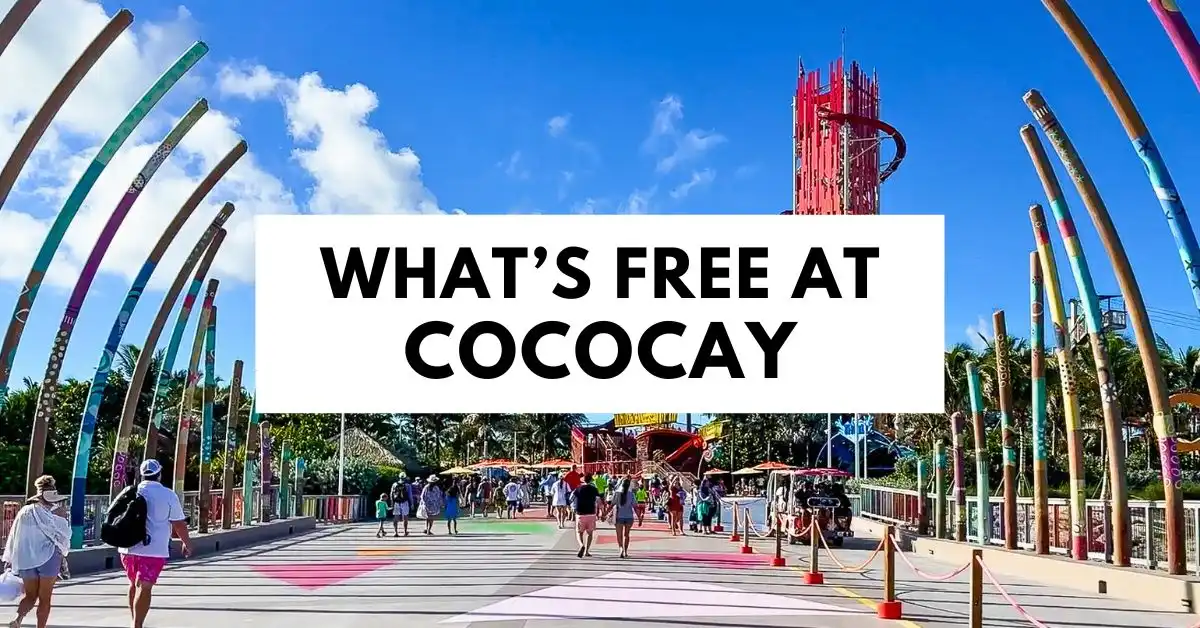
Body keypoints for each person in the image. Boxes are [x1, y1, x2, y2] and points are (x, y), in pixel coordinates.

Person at [119, 459, 192, 628]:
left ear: (142, 474)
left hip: (127, 548)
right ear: (159, 474)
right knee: (144, 587)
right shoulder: (167, 494)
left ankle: (134, 621)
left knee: (133, 584)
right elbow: (179, 523)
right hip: (153, 550)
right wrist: (186, 542)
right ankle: (137, 625)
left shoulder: (129, 491)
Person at [3, 475, 70, 628]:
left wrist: (12, 557)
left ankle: (18, 619)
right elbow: (64, 535)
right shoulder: (55, 512)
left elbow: (15, 536)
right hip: (49, 558)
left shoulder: (25, 511)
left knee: (30, 596)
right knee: (45, 598)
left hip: (26, 559)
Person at [571, 474, 601, 558]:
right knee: (590, 533)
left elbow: (571, 498)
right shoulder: (594, 489)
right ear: (591, 480)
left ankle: (581, 545)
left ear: (583, 480)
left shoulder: (578, 488)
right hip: (591, 513)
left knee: (579, 532)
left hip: (580, 513)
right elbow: (598, 501)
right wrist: (602, 512)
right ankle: (587, 551)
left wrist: (572, 507)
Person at [610, 477, 637, 558]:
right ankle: (625, 551)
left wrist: (605, 513)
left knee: (619, 535)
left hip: (619, 516)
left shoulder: (616, 493)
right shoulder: (631, 494)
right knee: (626, 535)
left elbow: (611, 504)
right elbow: (635, 506)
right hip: (629, 517)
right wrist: (639, 517)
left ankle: (621, 548)